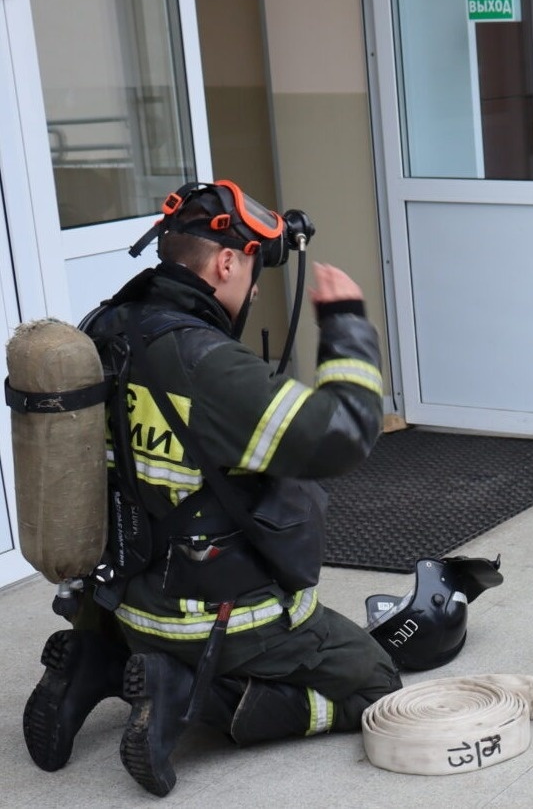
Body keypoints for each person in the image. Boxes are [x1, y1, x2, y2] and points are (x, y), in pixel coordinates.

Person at [22, 181, 400, 797]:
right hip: (217, 617)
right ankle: (190, 698)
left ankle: (98, 662)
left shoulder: (106, 326)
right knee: (375, 683)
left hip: (124, 603)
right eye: (252, 270)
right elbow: (343, 436)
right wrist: (346, 325)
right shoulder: (208, 365)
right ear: (227, 261)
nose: (253, 289)